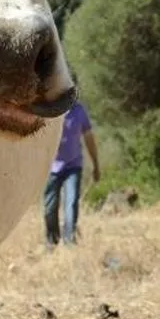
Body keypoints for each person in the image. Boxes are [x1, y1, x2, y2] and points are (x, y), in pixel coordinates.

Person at [44, 98, 101, 246]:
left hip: (73, 166)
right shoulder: (48, 110)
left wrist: (95, 164)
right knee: (49, 207)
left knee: (71, 203)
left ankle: (69, 241)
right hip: (52, 167)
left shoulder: (79, 111)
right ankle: (52, 241)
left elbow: (89, 138)